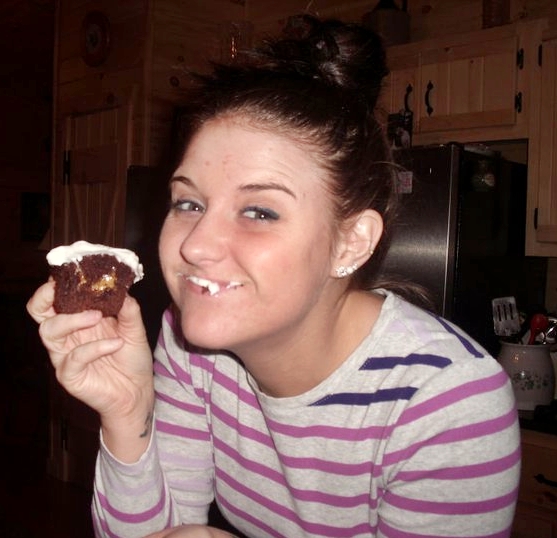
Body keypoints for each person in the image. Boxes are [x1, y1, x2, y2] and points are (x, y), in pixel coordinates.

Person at [27, 14, 520, 538]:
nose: (195, 245)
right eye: (188, 203)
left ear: (351, 242)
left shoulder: (448, 402)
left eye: (259, 212)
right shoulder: (191, 347)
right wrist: (128, 414)